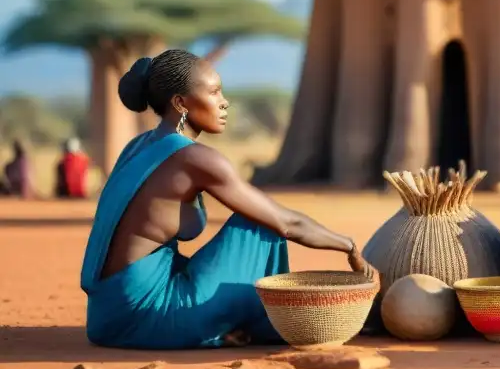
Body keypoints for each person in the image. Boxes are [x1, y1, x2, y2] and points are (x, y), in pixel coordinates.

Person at [81, 48, 369, 350]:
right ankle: (264, 323)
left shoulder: (137, 146)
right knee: (260, 223)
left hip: (105, 317)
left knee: (256, 219)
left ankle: (236, 322)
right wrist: (349, 246)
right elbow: (286, 223)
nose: (224, 102)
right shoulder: (195, 159)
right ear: (180, 103)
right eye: (214, 92)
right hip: (149, 315)